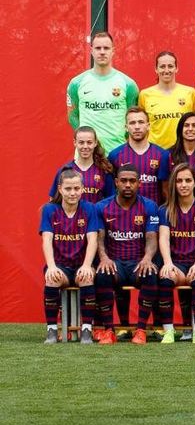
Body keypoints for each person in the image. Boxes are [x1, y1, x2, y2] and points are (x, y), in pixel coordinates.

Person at [95, 165, 161, 343]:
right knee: (102, 274)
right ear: (116, 182)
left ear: (139, 183)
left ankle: (141, 330)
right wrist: (104, 258)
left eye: (132, 181)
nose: (127, 185)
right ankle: (109, 330)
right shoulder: (102, 207)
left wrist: (147, 258)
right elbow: (99, 237)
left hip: (137, 263)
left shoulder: (149, 206)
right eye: (123, 181)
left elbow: (152, 237)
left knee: (150, 273)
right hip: (115, 263)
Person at [39, 169, 100, 344]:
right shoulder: (49, 210)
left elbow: (93, 239)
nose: (72, 193)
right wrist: (51, 266)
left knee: (87, 277)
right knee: (52, 279)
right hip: (60, 266)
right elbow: (47, 240)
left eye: (76, 188)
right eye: (68, 189)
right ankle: (52, 329)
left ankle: (86, 329)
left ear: (82, 189)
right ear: (60, 189)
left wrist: (87, 265)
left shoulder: (89, 209)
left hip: (81, 264)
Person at [157, 163, 195, 344]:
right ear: (173, 184)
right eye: (179, 181)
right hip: (177, 263)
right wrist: (167, 263)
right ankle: (168, 331)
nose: (183, 185)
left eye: (188, 180)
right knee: (165, 277)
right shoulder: (165, 209)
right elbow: (164, 238)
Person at [67, 31, 139, 153]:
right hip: (87, 155)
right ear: (91, 51)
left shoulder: (128, 84)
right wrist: (86, 140)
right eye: (98, 48)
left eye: (106, 48)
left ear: (113, 51)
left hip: (117, 153)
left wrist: (120, 139)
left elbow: (132, 119)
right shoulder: (76, 83)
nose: (102, 52)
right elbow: (72, 116)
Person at [138, 51, 195, 149]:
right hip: (156, 152)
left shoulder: (190, 93)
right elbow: (142, 125)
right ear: (156, 69)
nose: (166, 70)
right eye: (162, 66)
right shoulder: (145, 95)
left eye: (170, 66)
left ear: (176, 68)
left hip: (182, 151)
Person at [108, 107, 170, 205]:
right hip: (125, 212)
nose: (137, 127)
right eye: (132, 123)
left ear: (148, 126)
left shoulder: (162, 155)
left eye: (141, 122)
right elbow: (110, 192)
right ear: (126, 127)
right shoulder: (114, 156)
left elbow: (166, 192)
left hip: (154, 212)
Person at [49, 126, 113, 204]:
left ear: (95, 143)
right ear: (75, 142)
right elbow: (53, 200)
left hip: (95, 212)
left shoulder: (104, 171)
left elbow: (111, 201)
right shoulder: (64, 171)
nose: (85, 146)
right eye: (81, 142)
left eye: (89, 142)